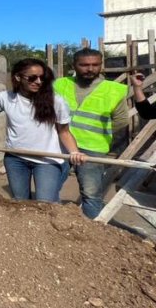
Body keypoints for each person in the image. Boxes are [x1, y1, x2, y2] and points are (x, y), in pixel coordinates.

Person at [0, 58, 86, 203]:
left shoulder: (56, 101)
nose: (39, 82)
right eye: (32, 78)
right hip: (16, 159)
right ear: (18, 77)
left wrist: (74, 152)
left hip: (47, 159)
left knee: (46, 203)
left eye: (42, 77)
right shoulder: (4, 98)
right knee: (21, 203)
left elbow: (64, 132)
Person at [53, 49, 128, 218]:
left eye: (95, 65)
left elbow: (122, 120)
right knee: (50, 187)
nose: (90, 69)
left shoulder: (113, 89)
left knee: (91, 193)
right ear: (74, 66)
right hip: (60, 145)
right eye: (84, 65)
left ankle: (93, 231)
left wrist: (101, 134)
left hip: (92, 148)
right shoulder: (59, 84)